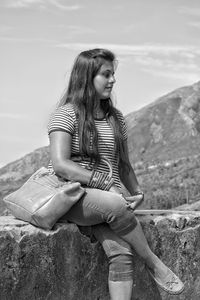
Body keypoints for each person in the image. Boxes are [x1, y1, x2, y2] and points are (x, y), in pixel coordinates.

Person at [47, 48, 184, 299]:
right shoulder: (66, 114)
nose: (113, 80)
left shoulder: (116, 118)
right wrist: (106, 184)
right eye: (106, 74)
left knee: (121, 253)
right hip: (73, 197)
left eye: (113, 74)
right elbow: (60, 165)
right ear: (87, 77)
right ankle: (154, 263)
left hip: (108, 202)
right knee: (114, 203)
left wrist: (138, 192)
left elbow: (124, 164)